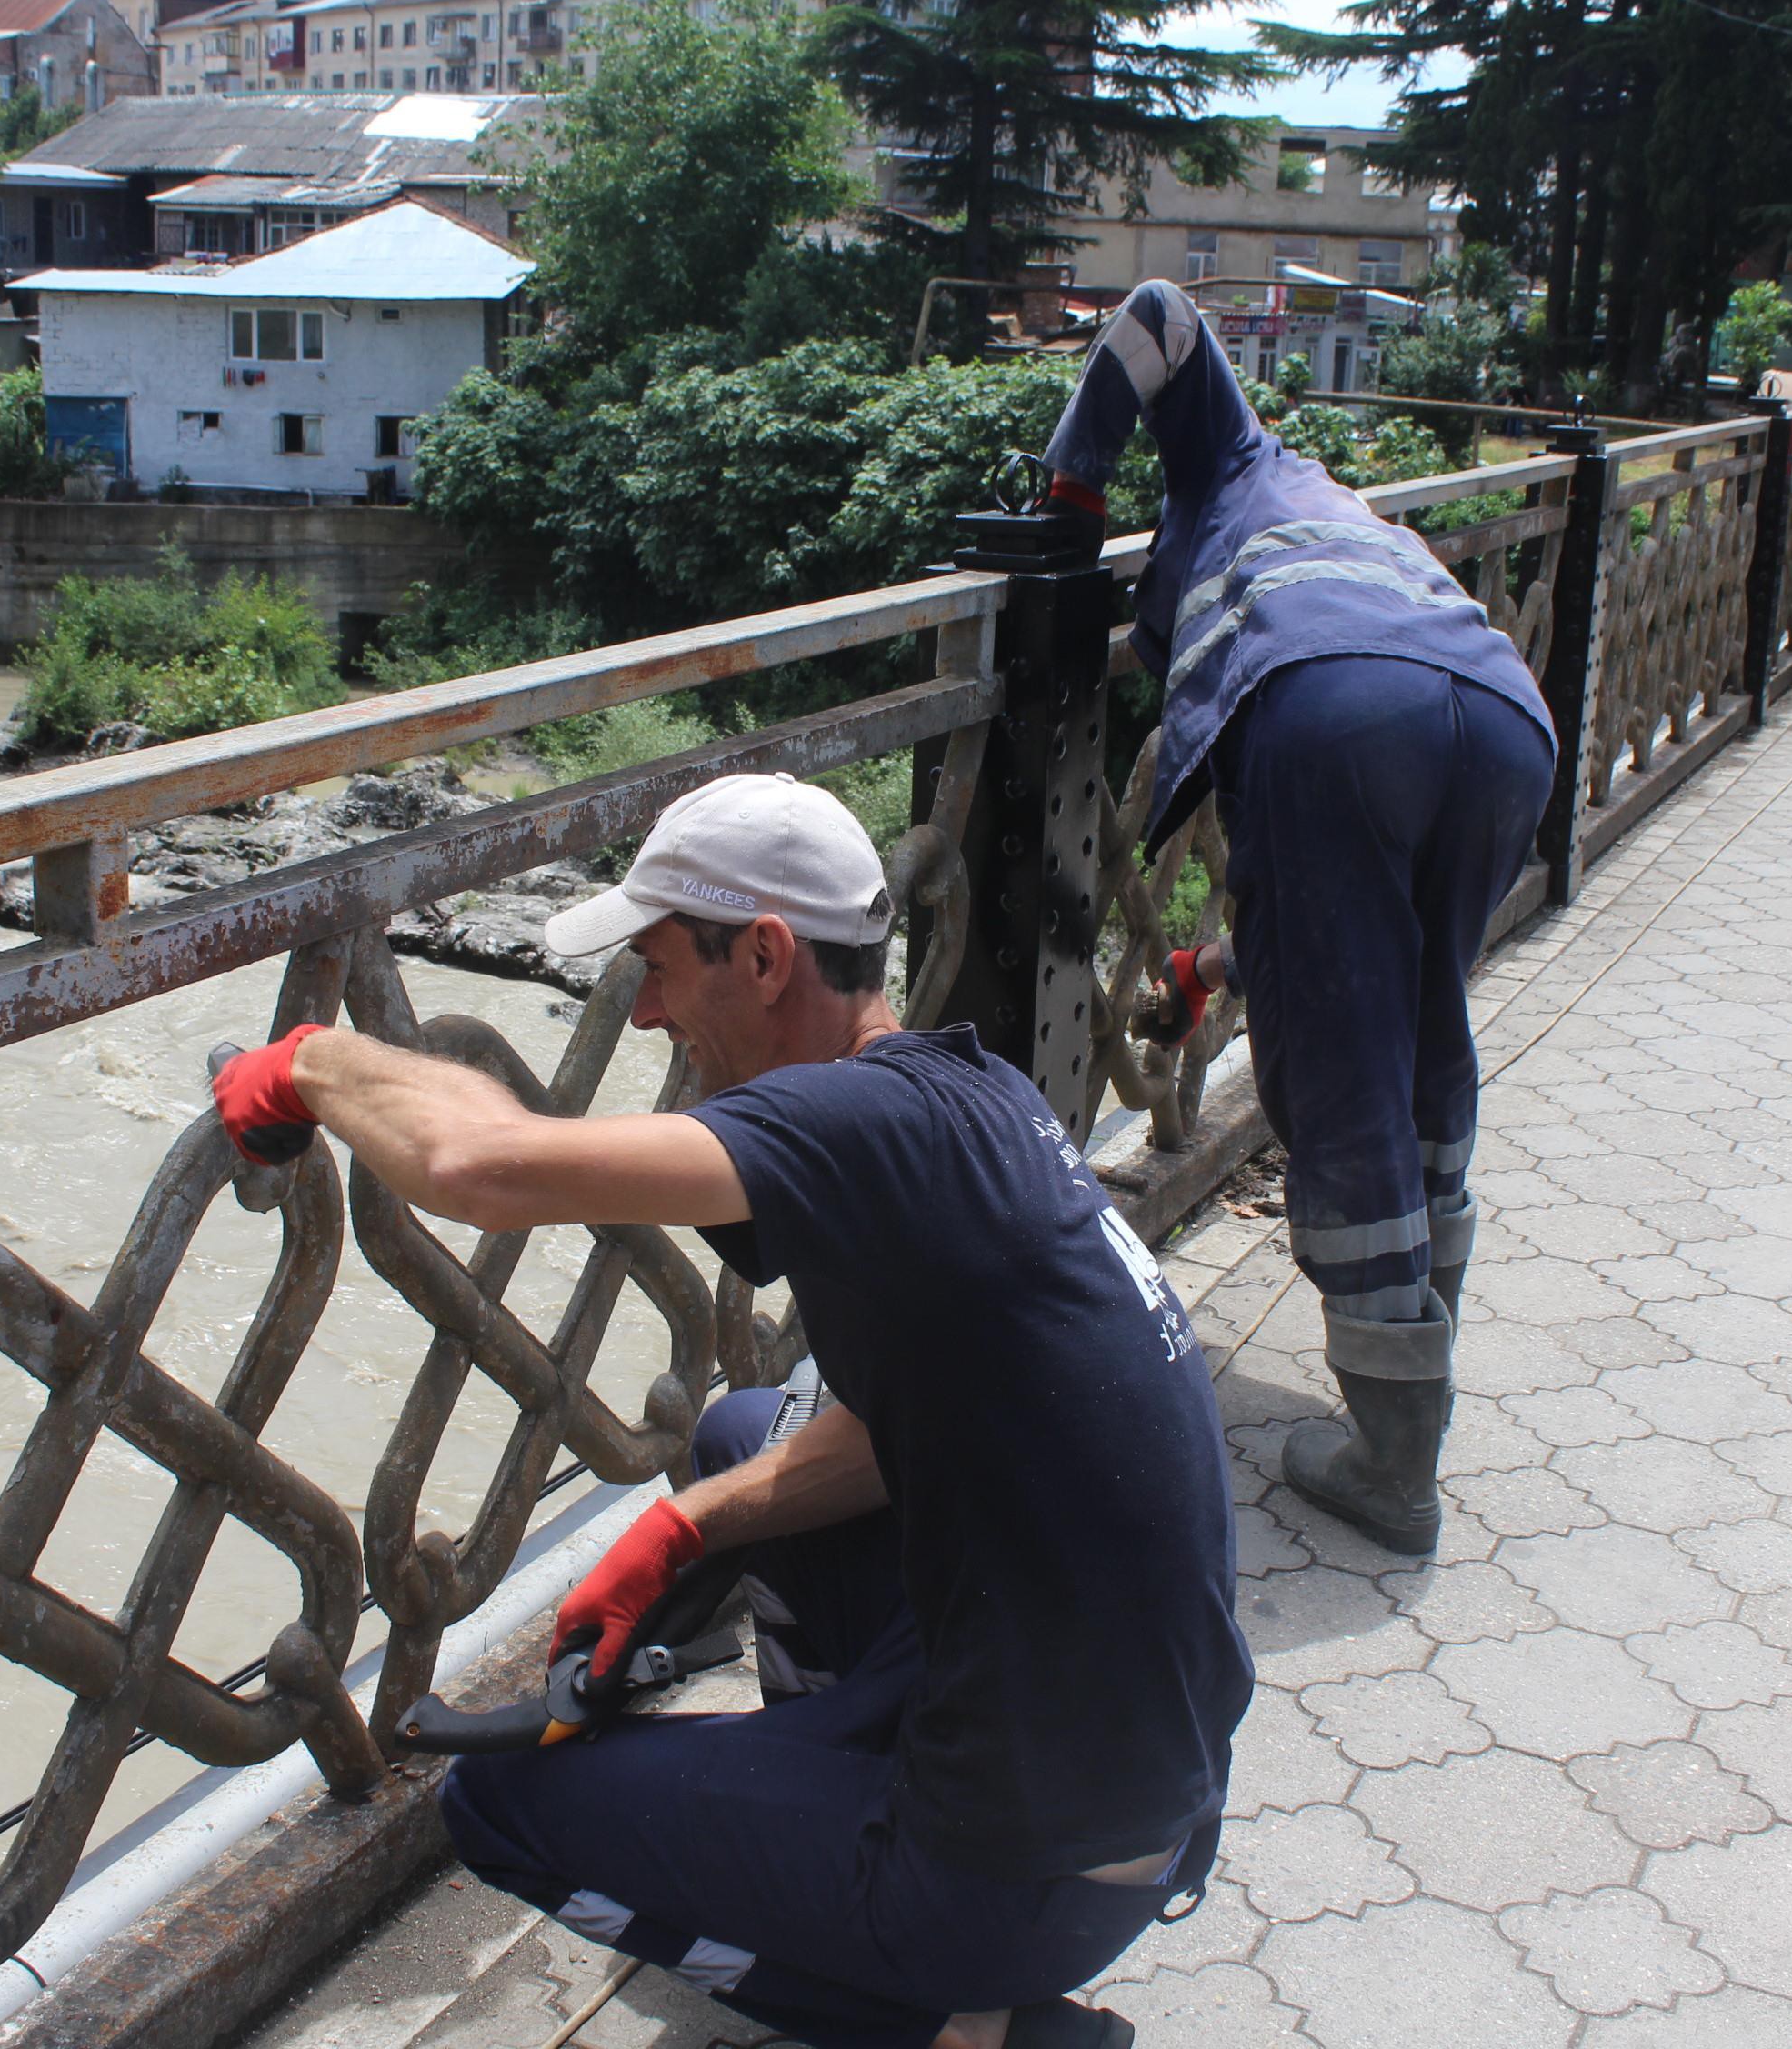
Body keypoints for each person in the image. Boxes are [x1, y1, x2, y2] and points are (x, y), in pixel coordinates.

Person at [207, 773, 1253, 2049]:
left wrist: (308, 1062)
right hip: (1142, 1789)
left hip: (1027, 1868)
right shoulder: (958, 1094)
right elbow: (881, 1428)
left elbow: (476, 1166)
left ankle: (955, 2020)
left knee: (500, 1815)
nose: (644, 1011)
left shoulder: (856, 1127)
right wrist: (683, 1530)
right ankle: (821, 1810)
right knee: (730, 1445)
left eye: (656, 967)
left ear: (764, 956)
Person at [1027, 278, 1557, 1556]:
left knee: (1341, 1081)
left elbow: (1152, 312)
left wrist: (1070, 493)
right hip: (1501, 720)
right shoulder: (1333, 506)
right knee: (1419, 1027)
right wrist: (1208, 973)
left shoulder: (1225, 447)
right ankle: (1412, 1382)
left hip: (1331, 705)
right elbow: (1330, 934)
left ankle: (1392, 1462)